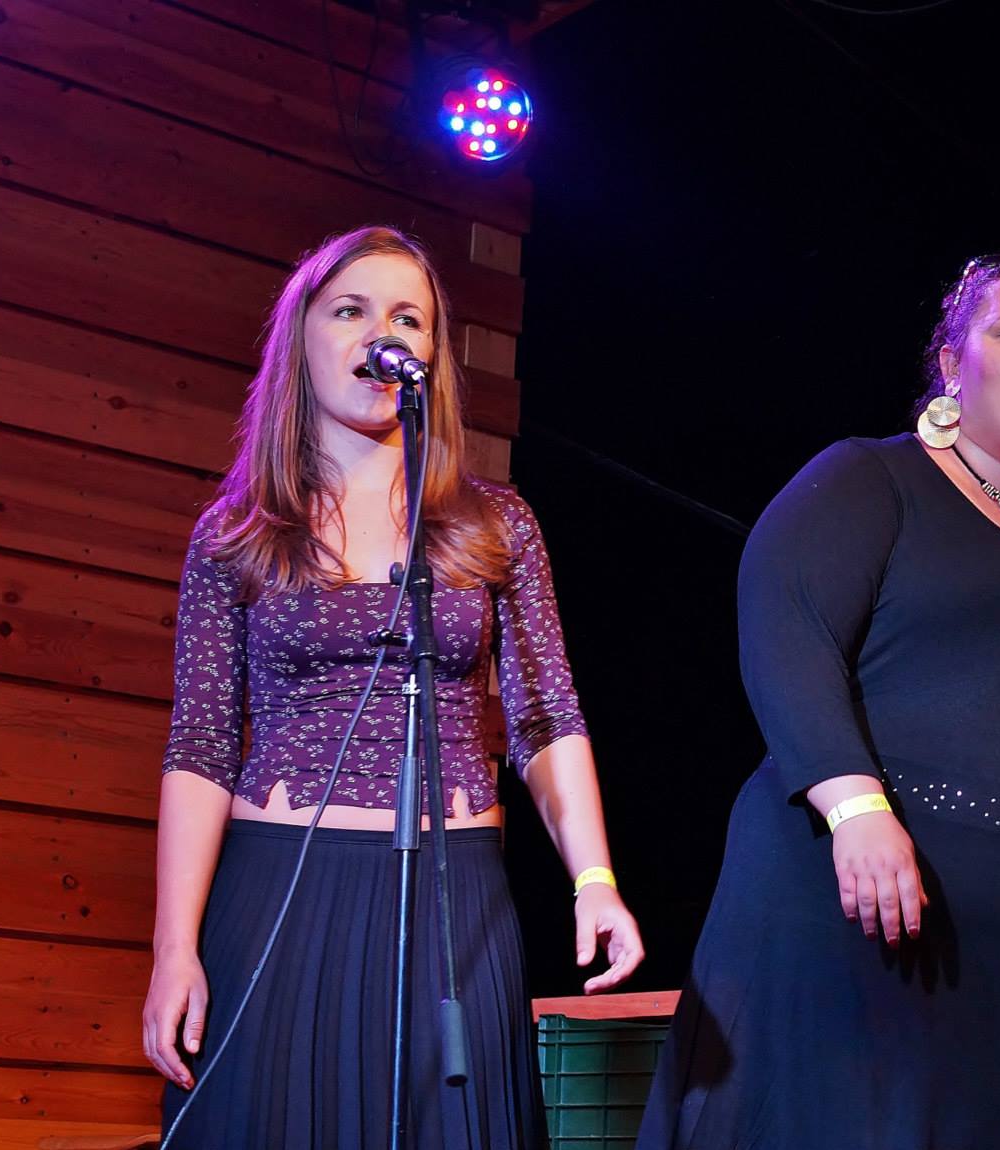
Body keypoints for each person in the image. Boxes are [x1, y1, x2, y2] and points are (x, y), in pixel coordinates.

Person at [639, 256, 1000, 1149]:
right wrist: (854, 806)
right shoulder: (873, 480)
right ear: (950, 366)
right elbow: (786, 628)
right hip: (880, 934)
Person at [142, 225, 645, 1148]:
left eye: (408, 319)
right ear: (302, 341)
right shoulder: (238, 532)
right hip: (286, 890)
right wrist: (175, 947)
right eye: (351, 311)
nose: (384, 334)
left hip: (459, 900)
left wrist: (595, 880)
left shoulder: (495, 525)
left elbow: (545, 716)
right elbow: (202, 745)